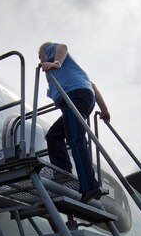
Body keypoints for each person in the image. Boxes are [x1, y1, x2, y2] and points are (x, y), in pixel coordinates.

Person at [38, 42, 110, 203]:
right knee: (54, 135)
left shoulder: (52, 55)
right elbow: (93, 87)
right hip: (81, 97)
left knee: (75, 138)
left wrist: (55, 62)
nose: (41, 60)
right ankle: (62, 170)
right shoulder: (71, 73)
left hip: (74, 96)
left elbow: (62, 46)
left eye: (40, 56)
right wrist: (105, 110)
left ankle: (90, 186)